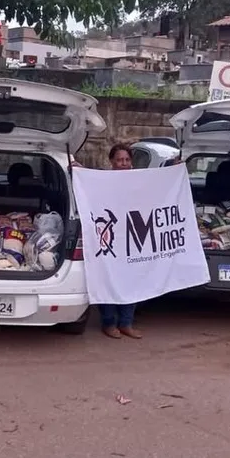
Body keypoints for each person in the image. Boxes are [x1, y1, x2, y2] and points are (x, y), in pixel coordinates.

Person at [98, 144, 143, 340]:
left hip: (133, 239)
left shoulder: (139, 181)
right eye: (119, 160)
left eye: (126, 160)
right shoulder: (102, 181)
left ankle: (126, 323)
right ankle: (108, 323)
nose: (123, 163)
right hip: (110, 239)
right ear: (112, 162)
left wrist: (175, 169)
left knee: (131, 282)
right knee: (108, 280)